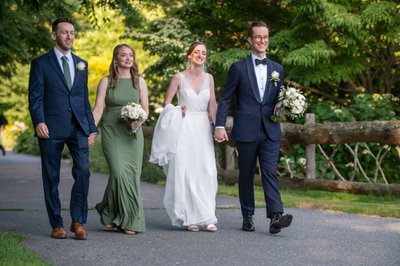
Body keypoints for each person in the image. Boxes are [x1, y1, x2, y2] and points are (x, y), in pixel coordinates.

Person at [214, 21, 293, 234]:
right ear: (250, 40)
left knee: (269, 172)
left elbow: (277, 100)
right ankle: (247, 216)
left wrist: (286, 106)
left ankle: (276, 215)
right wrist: (220, 125)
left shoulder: (278, 69)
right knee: (246, 174)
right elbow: (226, 98)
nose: (262, 40)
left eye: (265, 37)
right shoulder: (238, 68)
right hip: (246, 129)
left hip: (270, 130)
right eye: (257, 37)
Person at [28, 18, 97, 240]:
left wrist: (91, 128)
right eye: (64, 32)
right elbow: (35, 97)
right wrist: (39, 121)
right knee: (51, 176)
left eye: (72, 33)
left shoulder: (81, 63)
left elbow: (84, 99)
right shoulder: (41, 63)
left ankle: (78, 221)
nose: (69, 36)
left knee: (84, 171)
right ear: (54, 35)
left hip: (78, 127)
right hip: (50, 127)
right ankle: (56, 224)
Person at [150, 41, 218, 232]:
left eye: (204, 52)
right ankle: (190, 218)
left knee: (206, 171)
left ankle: (207, 216)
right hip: (185, 127)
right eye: (197, 52)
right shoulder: (178, 78)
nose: (201, 55)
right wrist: (177, 109)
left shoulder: (209, 78)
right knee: (186, 171)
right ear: (189, 55)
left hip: (203, 127)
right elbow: (166, 103)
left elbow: (212, 104)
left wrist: (218, 125)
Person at [92, 44, 149, 235]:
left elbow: (146, 110)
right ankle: (118, 214)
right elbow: (98, 110)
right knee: (117, 171)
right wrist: (90, 131)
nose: (127, 58)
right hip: (111, 131)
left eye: (130, 55)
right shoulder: (105, 81)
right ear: (116, 59)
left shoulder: (139, 81)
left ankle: (119, 216)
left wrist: (138, 121)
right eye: (123, 55)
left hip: (133, 133)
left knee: (131, 175)